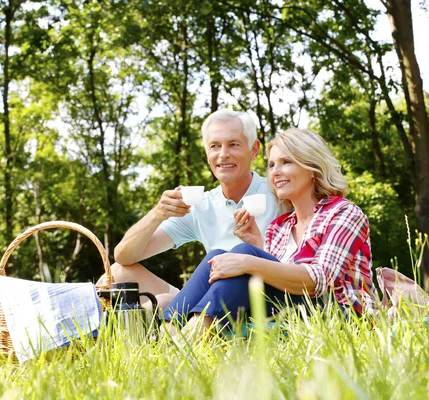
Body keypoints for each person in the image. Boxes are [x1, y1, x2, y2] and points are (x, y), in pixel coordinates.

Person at [163, 128, 377, 334]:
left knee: (242, 257)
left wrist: (248, 260)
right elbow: (274, 281)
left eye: (286, 162)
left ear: (312, 168)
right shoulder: (280, 226)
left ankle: (192, 338)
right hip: (295, 309)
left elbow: (317, 281)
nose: (275, 172)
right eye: (272, 165)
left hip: (341, 315)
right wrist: (257, 245)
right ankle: (168, 333)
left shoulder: (343, 213)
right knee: (218, 255)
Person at [101, 109, 277, 308]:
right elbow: (124, 256)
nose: (223, 154)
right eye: (214, 146)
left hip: (264, 297)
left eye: (234, 144)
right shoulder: (201, 205)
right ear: (207, 153)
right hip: (210, 297)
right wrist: (157, 214)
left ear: (254, 150)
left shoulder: (279, 194)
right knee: (119, 272)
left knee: (160, 304)